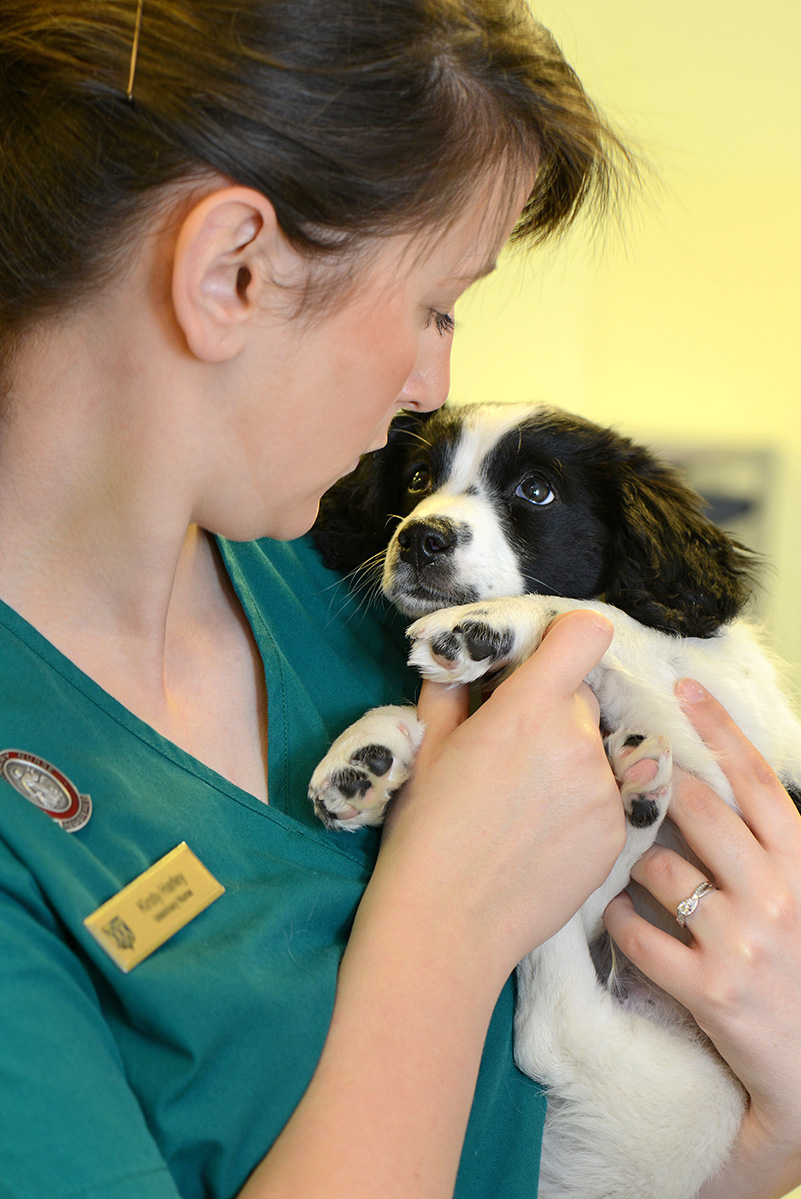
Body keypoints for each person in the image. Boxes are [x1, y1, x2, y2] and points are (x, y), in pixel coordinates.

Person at [0, 3, 800, 1198]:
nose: (433, 382)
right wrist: (444, 922)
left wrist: (763, 1132)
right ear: (234, 271)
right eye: (438, 305)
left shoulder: (338, 588)